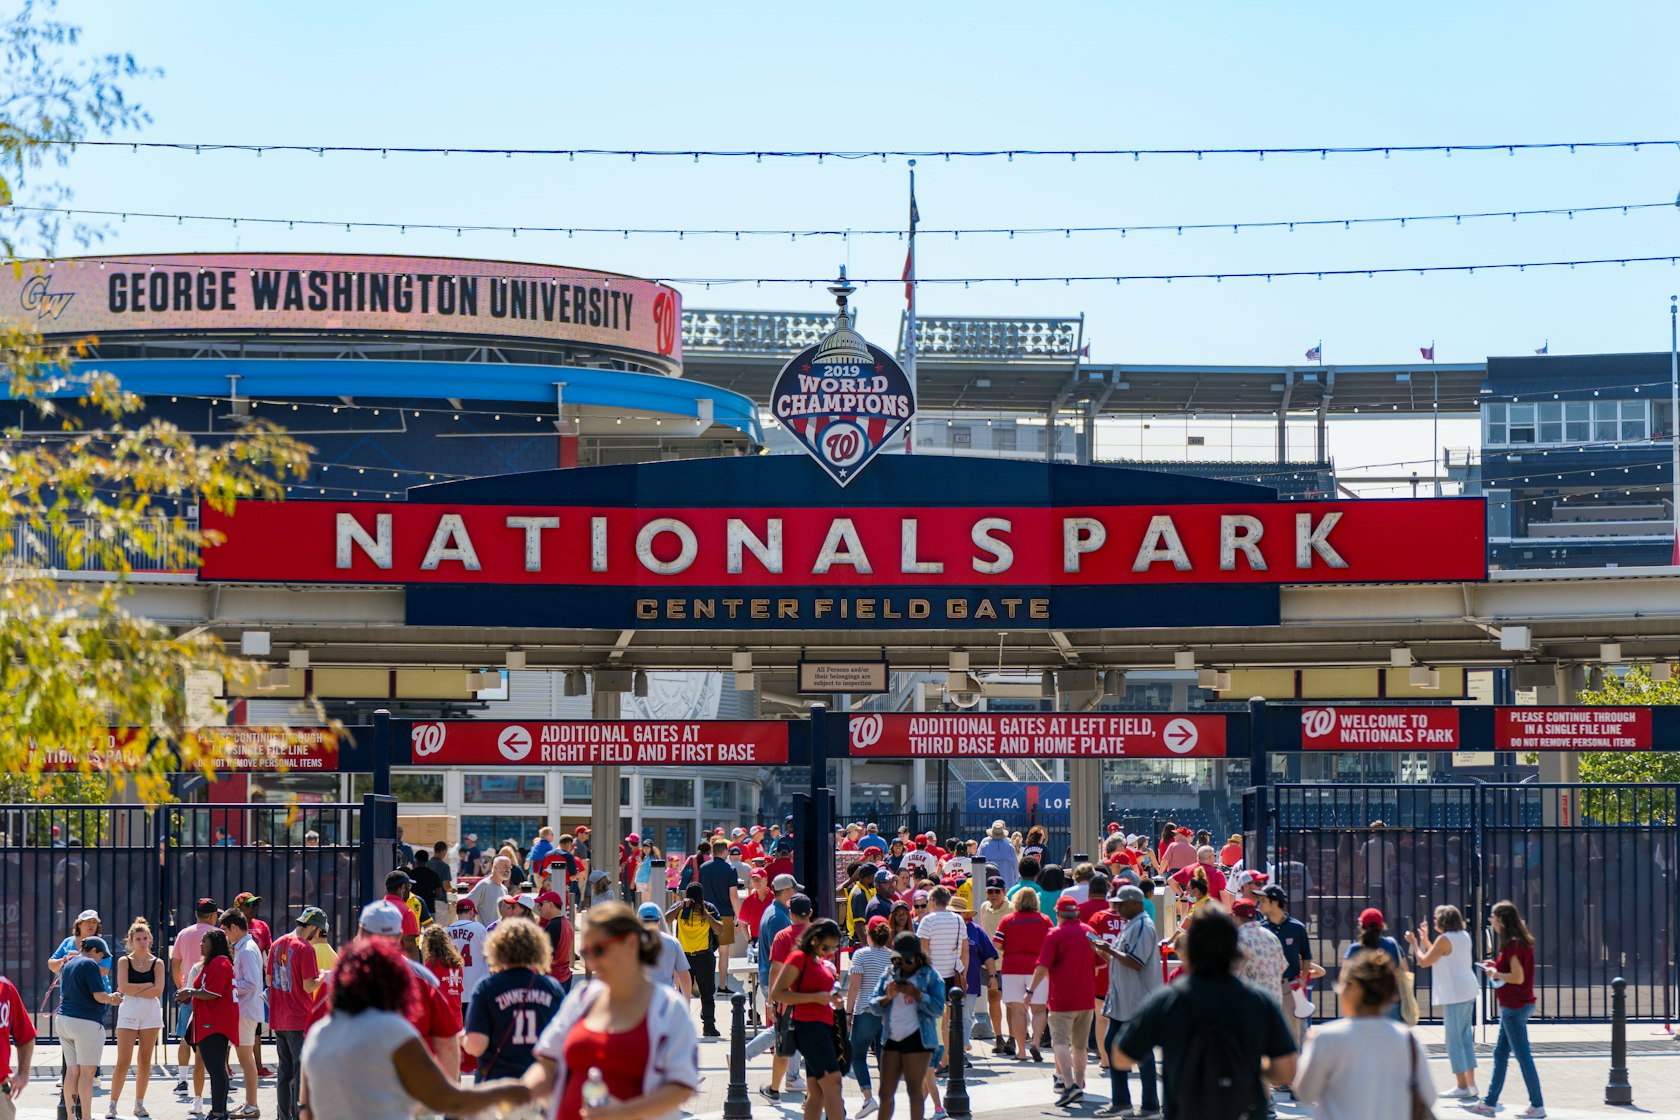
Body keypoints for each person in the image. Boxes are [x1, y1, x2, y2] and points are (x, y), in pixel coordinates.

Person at [299, 937, 529, 1120]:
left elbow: (306, 1110)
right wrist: (506, 1090)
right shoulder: (392, 1030)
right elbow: (446, 1098)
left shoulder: (319, 1033)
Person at [1116, 905, 1297, 1120]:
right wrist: (1250, 1067)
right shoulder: (1258, 1001)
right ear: (1234, 948)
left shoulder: (1167, 1000)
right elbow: (1286, 1070)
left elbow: (1121, 1058)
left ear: (1190, 950)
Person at [524, 901, 699, 1120]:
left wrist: (624, 1113)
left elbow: (681, 1086)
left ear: (631, 943)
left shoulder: (669, 1008)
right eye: (585, 953)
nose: (592, 962)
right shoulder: (581, 998)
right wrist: (513, 1098)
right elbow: (547, 1064)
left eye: (599, 950)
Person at [1293, 950, 1436, 1120]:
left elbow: (1306, 1094)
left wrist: (1308, 1051)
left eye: (1342, 983)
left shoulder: (1327, 1037)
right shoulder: (1408, 1040)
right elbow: (1430, 1096)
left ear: (1354, 989)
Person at [462, 917, 567, 1083]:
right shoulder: (551, 988)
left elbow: (476, 1046)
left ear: (497, 949)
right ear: (539, 949)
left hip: (497, 1083)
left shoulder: (487, 988)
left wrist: (463, 1039)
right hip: (541, 1082)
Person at [1467, 901, 1544, 1118]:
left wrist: (1496, 974)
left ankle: (1537, 1105)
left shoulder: (1512, 945)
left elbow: (1517, 977)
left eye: (1493, 916)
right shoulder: (1521, 942)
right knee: (1500, 1053)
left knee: (1522, 1056)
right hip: (1517, 1005)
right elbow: (1515, 969)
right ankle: (1490, 1102)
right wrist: (1496, 966)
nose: (1491, 920)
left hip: (1514, 1007)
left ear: (1502, 919)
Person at [1092, 885, 1160, 1118]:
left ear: (1135, 903)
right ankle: (1123, 1101)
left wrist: (1107, 949)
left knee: (1140, 1052)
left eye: (1121, 903)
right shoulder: (1133, 925)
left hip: (1138, 1002)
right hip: (1126, 1000)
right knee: (1114, 1045)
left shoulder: (1142, 925)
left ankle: (1150, 1105)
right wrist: (1106, 952)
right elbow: (1125, 958)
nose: (1116, 907)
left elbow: (1135, 961)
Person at [770, 918, 847, 1120]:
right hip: (809, 1029)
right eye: (826, 946)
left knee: (817, 1092)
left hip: (824, 1027)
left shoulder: (819, 962)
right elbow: (777, 993)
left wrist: (835, 1001)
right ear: (814, 940)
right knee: (833, 1083)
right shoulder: (798, 958)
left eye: (834, 948)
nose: (830, 952)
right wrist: (814, 997)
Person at [1028, 896, 1098, 1107]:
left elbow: (1042, 966)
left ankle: (1068, 1085)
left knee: (1060, 1042)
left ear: (1058, 914)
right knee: (1080, 1046)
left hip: (1061, 998)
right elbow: (1101, 962)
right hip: (1086, 996)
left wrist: (1030, 991)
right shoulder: (1089, 932)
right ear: (1076, 912)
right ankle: (1078, 1084)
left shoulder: (1055, 934)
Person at [870, 932, 946, 1120]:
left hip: (919, 1039)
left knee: (915, 1092)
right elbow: (872, 1006)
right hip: (892, 1038)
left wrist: (918, 994)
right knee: (885, 1093)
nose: (902, 963)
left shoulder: (930, 976)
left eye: (907, 959)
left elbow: (938, 1009)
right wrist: (887, 997)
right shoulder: (889, 973)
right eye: (898, 958)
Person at [1406, 904, 1478, 1100]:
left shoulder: (1445, 939)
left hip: (1455, 993)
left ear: (1443, 922)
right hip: (1468, 989)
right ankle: (1471, 1084)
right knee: (1464, 1038)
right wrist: (1426, 939)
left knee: (1453, 1039)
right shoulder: (1463, 935)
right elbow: (1442, 955)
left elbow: (1424, 961)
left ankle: (1462, 1086)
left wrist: (1414, 943)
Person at [268, 909, 325, 1120]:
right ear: (313, 927)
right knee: (301, 1074)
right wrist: (324, 978)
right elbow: (309, 986)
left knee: (284, 1074)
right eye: (319, 931)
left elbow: (268, 980)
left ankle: (283, 1117)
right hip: (299, 1019)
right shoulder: (305, 949)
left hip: (278, 1017)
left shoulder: (277, 943)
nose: (318, 936)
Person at [1257, 885, 1323, 1061]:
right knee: (1264, 1031)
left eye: (1263, 900)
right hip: (1266, 988)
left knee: (1292, 1033)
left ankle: (1291, 1077)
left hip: (1288, 988)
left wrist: (1302, 978)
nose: (1259, 904)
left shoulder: (1297, 928)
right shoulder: (1260, 928)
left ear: (1275, 902)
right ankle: (1270, 1077)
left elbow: (1307, 956)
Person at [60, 935, 122, 1120]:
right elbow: (99, 995)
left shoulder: (69, 964)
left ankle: (71, 1118)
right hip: (85, 1022)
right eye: (100, 956)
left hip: (64, 1021)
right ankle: (86, 1118)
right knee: (87, 1074)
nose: (101, 961)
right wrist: (113, 998)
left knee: (72, 1071)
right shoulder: (90, 965)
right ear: (94, 951)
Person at [111, 917, 166, 1119]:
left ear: (150, 939)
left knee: (145, 1059)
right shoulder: (124, 961)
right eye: (138, 939)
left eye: (145, 938)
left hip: (150, 1011)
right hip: (129, 1010)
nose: (142, 942)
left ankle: (139, 1104)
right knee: (123, 1060)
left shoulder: (157, 963)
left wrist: (136, 990)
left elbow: (158, 990)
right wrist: (146, 987)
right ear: (131, 941)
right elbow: (123, 987)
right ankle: (112, 1104)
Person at [177, 929, 235, 1120]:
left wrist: (190, 992)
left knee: (216, 1069)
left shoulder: (220, 962)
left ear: (214, 943)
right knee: (216, 1069)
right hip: (207, 1021)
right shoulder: (212, 963)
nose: (200, 944)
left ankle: (218, 1111)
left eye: (204, 941)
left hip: (215, 1023)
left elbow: (213, 992)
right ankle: (220, 1111)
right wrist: (189, 994)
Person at [993, 886, 1052, 1065]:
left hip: (1012, 967)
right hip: (1037, 969)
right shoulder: (1044, 920)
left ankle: (1021, 1051)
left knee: (1018, 1010)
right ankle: (1035, 1042)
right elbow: (1052, 943)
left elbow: (997, 943)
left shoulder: (1008, 919)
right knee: (1039, 1009)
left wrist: (1010, 949)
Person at [171, 898, 220, 1095]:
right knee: (213, 1038)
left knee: (185, 1036)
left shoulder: (183, 933)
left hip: (188, 991)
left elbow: (175, 964)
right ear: (213, 916)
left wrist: (182, 986)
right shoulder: (217, 935)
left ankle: (182, 1080)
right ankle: (218, 1077)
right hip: (210, 994)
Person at [846, 918, 894, 1117]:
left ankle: (868, 1098)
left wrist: (848, 1013)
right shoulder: (892, 957)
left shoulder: (861, 955)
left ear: (868, 933)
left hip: (865, 1011)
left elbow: (854, 987)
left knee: (857, 1056)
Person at [666, 883, 726, 1038]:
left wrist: (706, 915)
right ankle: (680, 1026)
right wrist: (680, 906)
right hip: (683, 957)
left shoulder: (709, 908)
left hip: (704, 955)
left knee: (707, 993)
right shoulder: (681, 908)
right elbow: (666, 919)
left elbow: (720, 930)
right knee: (681, 995)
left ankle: (709, 1025)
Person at [1343, 909, 1406, 1022]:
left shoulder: (1354, 949)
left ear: (1361, 925)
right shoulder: (1392, 945)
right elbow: (1405, 971)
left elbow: (1344, 978)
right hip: (1390, 1002)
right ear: (1382, 926)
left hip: (1361, 1005)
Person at [698, 838, 741, 993]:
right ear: (725, 852)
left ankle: (706, 986)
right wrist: (739, 918)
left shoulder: (703, 868)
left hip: (706, 915)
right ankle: (722, 985)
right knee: (724, 952)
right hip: (725, 916)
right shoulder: (730, 870)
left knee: (706, 951)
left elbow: (700, 891)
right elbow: (733, 896)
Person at [1231, 900, 1287, 1008]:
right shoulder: (1272, 937)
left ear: (1235, 917)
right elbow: (1281, 969)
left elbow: (1230, 976)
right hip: (1274, 1005)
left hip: (1249, 1007)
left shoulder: (1237, 940)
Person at [444, 899, 490, 1015]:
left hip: (454, 988)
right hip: (477, 989)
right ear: (470, 911)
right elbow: (490, 955)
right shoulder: (479, 928)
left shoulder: (445, 931)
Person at [637, 902, 692, 996]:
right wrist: (686, 1005)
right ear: (659, 921)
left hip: (638, 1000)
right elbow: (685, 979)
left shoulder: (628, 943)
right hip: (666, 1000)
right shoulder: (673, 942)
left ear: (638, 920)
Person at [534, 891, 576, 994]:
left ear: (551, 904)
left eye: (541, 904)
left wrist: (536, 979)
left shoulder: (553, 926)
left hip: (554, 978)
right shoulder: (566, 923)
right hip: (564, 976)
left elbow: (548, 957)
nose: (539, 908)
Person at [978, 821, 1019, 887]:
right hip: (1007, 885)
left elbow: (978, 867)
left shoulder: (984, 847)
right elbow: (1015, 868)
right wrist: (1014, 882)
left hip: (988, 886)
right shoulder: (1010, 848)